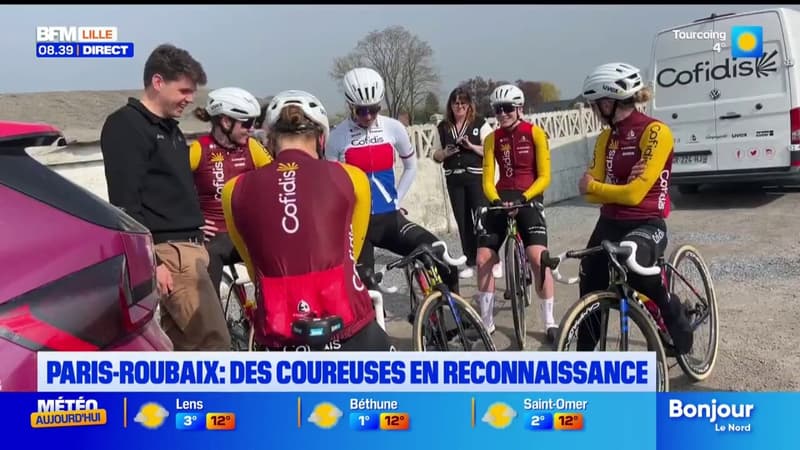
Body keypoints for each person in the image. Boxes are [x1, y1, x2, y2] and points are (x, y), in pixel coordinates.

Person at [221, 89, 394, 351]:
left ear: (269, 141)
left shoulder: (234, 189)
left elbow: (252, 261)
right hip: (348, 327)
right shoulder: (352, 177)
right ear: (322, 138)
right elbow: (351, 251)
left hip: (279, 333)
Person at [100, 43, 230, 351]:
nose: (190, 99)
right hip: (170, 256)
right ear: (158, 82)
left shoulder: (170, 129)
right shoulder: (126, 125)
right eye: (184, 90)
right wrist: (152, 262)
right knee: (215, 344)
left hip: (189, 251)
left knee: (184, 350)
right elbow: (124, 204)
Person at [577, 62, 693, 355]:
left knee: (639, 273)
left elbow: (633, 194)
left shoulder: (655, 132)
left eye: (595, 105)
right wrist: (604, 190)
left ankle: (678, 325)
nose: (594, 110)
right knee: (589, 278)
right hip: (608, 222)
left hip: (647, 223)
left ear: (608, 102)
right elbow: (591, 196)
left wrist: (595, 186)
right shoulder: (606, 137)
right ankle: (583, 361)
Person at [326, 67, 460, 295]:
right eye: (361, 111)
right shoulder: (337, 137)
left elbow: (411, 166)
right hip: (358, 226)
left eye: (374, 109)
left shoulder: (393, 127)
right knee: (365, 290)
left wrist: (396, 198)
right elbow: (331, 186)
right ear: (350, 105)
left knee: (438, 255)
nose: (368, 116)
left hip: (390, 218)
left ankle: (457, 324)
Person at [476, 84, 558, 341]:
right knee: (482, 259)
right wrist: (496, 200)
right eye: (497, 110)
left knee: (537, 257)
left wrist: (525, 197)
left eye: (507, 109)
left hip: (529, 195)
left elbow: (544, 176)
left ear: (519, 109)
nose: (502, 114)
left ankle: (549, 321)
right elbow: (488, 179)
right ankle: (486, 322)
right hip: (501, 197)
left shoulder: (535, 133)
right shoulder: (491, 139)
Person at [190, 87, 272, 294]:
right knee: (206, 288)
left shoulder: (252, 147)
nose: (252, 129)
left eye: (254, 123)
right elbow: (173, 189)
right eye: (247, 123)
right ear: (226, 122)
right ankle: (215, 325)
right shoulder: (198, 149)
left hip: (247, 233)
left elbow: (276, 179)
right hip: (216, 238)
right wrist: (193, 221)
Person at [433, 86, 493, 279]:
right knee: (463, 221)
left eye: (463, 103)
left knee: (481, 219)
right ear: (450, 105)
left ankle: (491, 258)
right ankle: (470, 260)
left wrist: (471, 146)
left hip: (475, 177)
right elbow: (435, 154)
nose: (459, 106)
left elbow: (491, 150)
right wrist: (445, 153)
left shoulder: (479, 123)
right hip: (454, 179)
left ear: (469, 106)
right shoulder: (443, 127)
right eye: (455, 103)